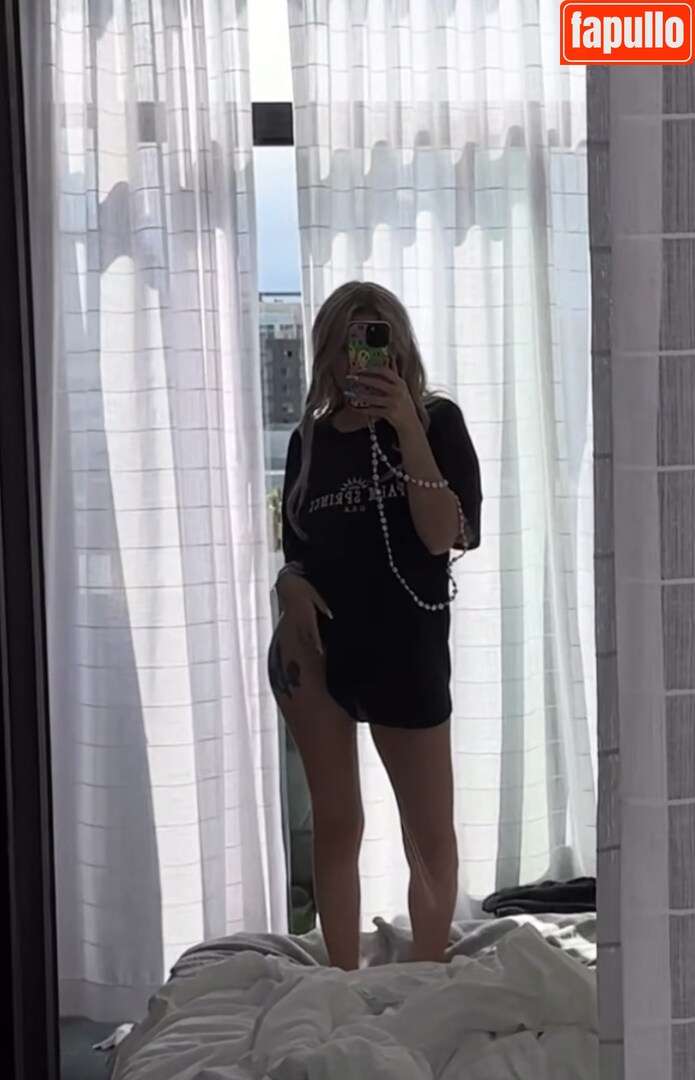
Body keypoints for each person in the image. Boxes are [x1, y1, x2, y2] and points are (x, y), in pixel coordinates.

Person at [268, 281, 482, 969]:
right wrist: (287, 584)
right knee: (337, 823)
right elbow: (296, 551)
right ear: (326, 353)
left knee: (429, 837)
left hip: (405, 648)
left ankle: (424, 977)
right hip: (314, 649)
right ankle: (341, 979)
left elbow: (443, 535)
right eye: (345, 344)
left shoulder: (436, 421)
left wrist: (406, 428)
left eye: (374, 341)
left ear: (399, 347)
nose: (359, 359)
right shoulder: (309, 441)